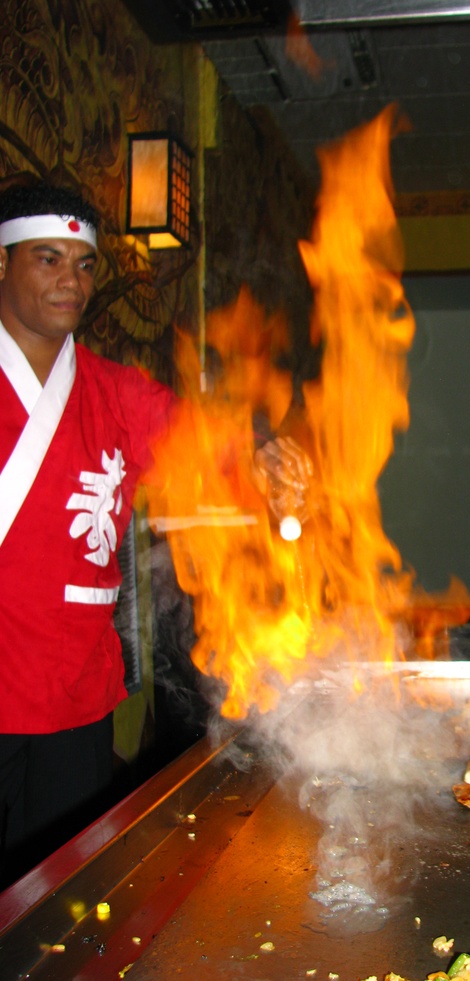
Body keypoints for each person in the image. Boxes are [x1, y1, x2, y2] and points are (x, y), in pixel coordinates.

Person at [0, 181, 304, 885]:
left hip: (75, 695)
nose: (70, 282)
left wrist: (263, 454)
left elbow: (202, 443)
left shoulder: (115, 392)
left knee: (66, 897)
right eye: (47, 259)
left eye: (82, 264)